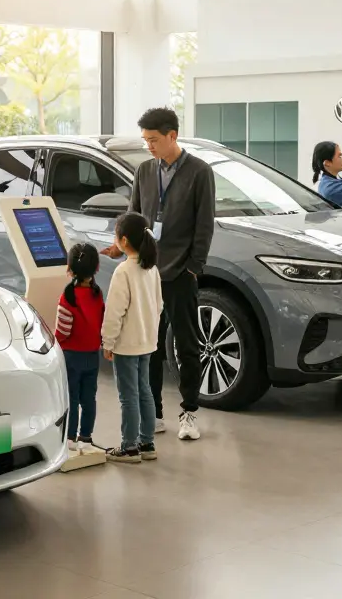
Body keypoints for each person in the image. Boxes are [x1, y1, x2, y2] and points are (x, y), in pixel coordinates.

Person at [104, 107, 214, 441]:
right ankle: (155, 414)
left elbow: (204, 224)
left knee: (187, 344)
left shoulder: (199, 172)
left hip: (181, 272)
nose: (149, 146)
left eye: (153, 140)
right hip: (148, 271)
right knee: (149, 346)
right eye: (146, 140)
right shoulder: (145, 172)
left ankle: (189, 413)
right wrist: (119, 245)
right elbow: (133, 216)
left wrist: (194, 268)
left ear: (172, 136)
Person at [101, 212, 164, 463]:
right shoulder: (152, 269)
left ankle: (128, 448)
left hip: (126, 345)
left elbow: (114, 312)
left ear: (123, 241)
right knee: (145, 391)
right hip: (147, 342)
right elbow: (159, 305)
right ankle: (147, 443)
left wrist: (108, 342)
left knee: (128, 396)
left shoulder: (123, 271)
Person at [55, 243, 105, 455]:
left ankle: (70, 440)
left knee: (72, 399)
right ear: (97, 268)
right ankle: (86, 438)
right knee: (88, 398)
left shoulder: (67, 297)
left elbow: (62, 331)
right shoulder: (98, 294)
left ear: (69, 269)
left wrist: (53, 342)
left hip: (70, 357)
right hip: (92, 356)